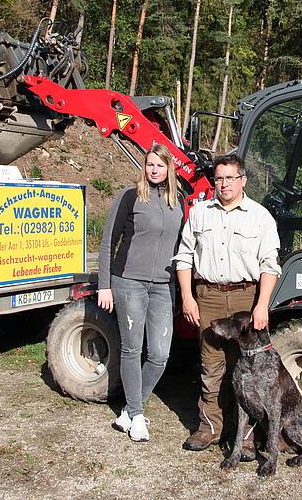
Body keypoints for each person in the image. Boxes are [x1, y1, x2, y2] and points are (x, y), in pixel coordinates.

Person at [173, 153, 281, 452]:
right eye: (219, 178)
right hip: (207, 295)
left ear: (243, 180)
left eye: (230, 178)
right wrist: (187, 297)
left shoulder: (260, 216)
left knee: (247, 369)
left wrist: (261, 306)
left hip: (245, 299)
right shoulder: (199, 213)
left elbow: (269, 264)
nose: (224, 184)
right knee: (211, 366)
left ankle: (246, 437)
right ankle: (209, 428)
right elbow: (183, 258)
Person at [97, 143, 184, 442]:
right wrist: (104, 285)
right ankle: (136, 416)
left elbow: (181, 247)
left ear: (169, 168)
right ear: (144, 167)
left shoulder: (179, 201)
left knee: (160, 354)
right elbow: (109, 240)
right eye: (149, 165)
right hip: (128, 282)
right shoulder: (130, 195)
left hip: (162, 285)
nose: (154, 170)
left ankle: (129, 410)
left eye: (160, 165)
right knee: (132, 350)